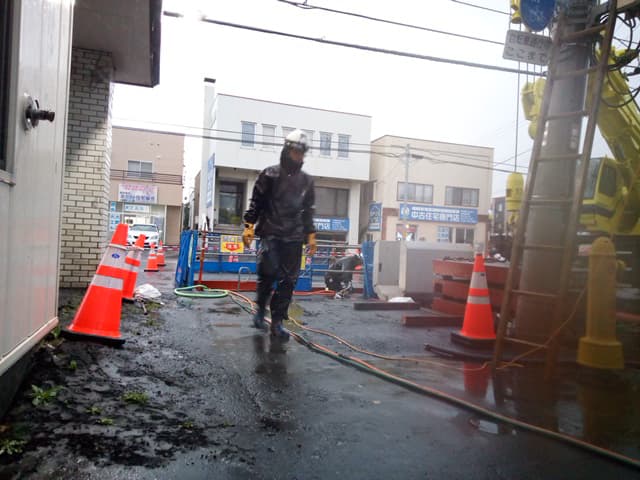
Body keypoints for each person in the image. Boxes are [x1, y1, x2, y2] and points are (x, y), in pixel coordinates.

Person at [242, 129, 317, 340]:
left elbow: (308, 210)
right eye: (295, 152)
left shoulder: (307, 181)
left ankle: (277, 322)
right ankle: (260, 311)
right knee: (268, 274)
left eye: (302, 153)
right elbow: (256, 202)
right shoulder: (269, 174)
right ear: (287, 150)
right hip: (271, 232)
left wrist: (311, 234)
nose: (299, 157)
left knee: (288, 281)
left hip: (294, 236)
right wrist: (249, 225)